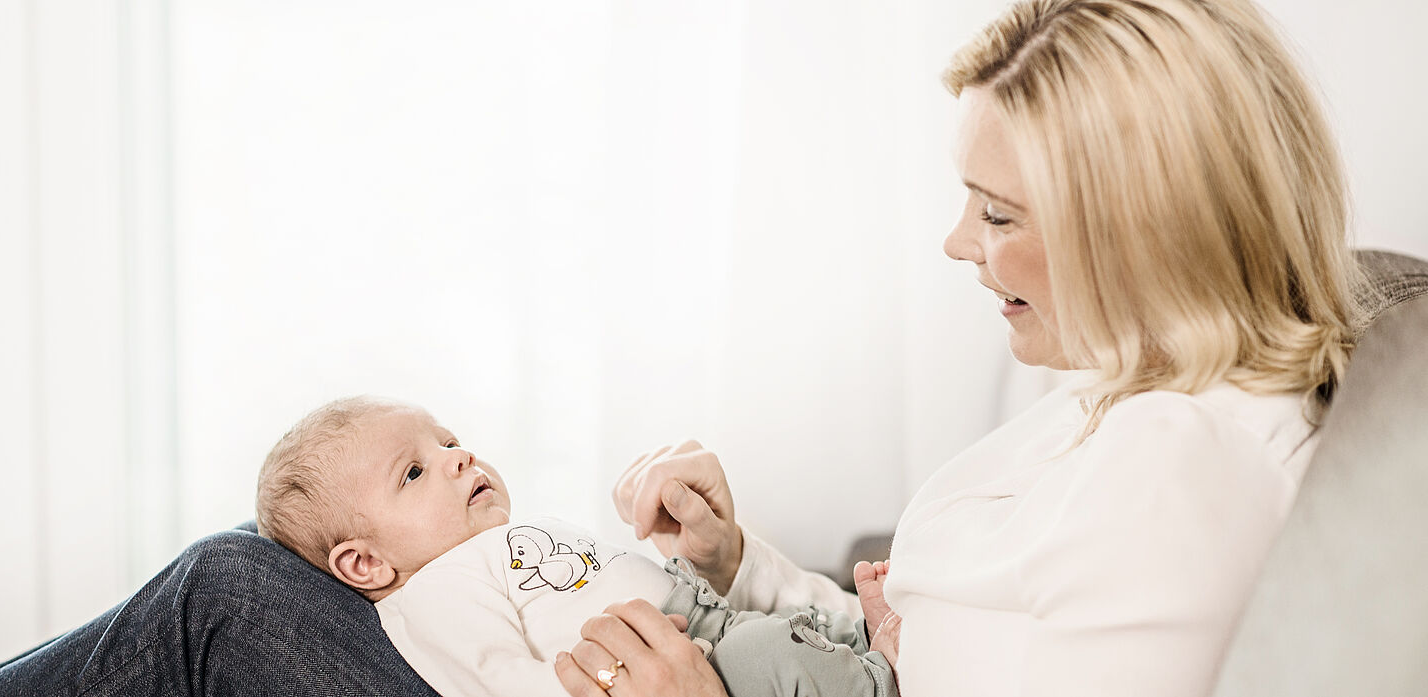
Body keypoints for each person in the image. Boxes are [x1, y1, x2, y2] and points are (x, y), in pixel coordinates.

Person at [552, 1, 1357, 696]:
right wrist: (734, 564)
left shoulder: (1185, 475)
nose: (956, 242)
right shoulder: (1130, 383)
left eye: (998, 214)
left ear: (1140, 235)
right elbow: (915, 653)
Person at [255, 396, 903, 697]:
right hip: (689, 660)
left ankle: (867, 642)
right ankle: (883, 673)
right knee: (780, 652)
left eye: (448, 441)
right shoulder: (435, 593)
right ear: (365, 562)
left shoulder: (491, 542)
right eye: (414, 471)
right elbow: (498, 681)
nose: (458, 457)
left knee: (790, 636)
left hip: (697, 623)